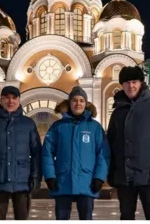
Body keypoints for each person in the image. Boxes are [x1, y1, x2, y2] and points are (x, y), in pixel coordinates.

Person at [107, 66, 150, 220]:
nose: (131, 86)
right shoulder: (118, 111)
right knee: (126, 216)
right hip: (124, 176)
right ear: (122, 85)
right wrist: (111, 170)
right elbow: (110, 142)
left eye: (134, 82)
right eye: (126, 83)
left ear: (141, 83)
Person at [42, 86, 110, 220]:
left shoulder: (95, 128)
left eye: (81, 100)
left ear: (86, 104)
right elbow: (47, 153)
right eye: (74, 100)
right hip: (62, 181)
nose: (78, 103)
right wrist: (50, 176)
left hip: (87, 182)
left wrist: (99, 177)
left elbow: (103, 154)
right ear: (69, 103)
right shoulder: (58, 127)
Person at [0, 86, 42, 220]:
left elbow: (37, 152)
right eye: (6, 98)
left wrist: (36, 176)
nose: (10, 101)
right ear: (1, 100)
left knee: (22, 218)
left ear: (19, 100)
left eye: (14, 98)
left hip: (23, 181)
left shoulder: (28, 124)